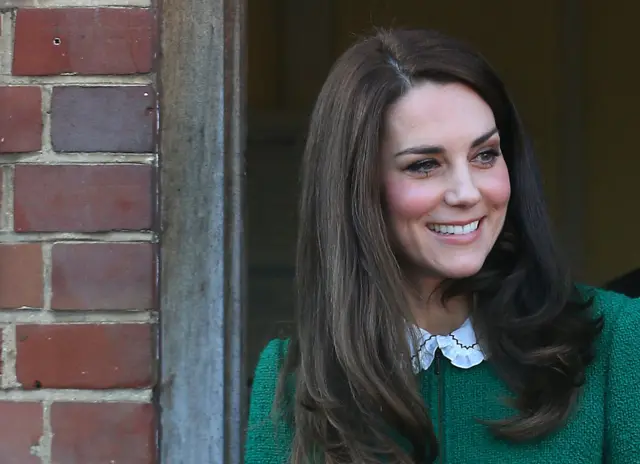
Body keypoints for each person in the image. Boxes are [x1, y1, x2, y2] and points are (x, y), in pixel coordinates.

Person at [244, 28, 640, 463]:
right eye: (425, 165)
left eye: (485, 155)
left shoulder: (617, 338)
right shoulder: (292, 377)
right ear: (358, 188)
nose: (466, 192)